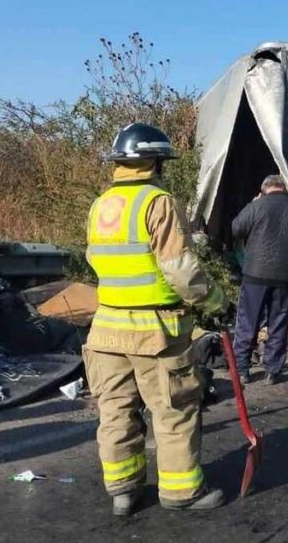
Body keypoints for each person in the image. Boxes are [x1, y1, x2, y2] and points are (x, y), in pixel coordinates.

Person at [84, 123, 227, 515]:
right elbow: (180, 269)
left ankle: (123, 492)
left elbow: (95, 260)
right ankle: (182, 493)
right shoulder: (157, 202)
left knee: (115, 412)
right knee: (174, 411)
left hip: (105, 331)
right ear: (155, 163)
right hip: (155, 332)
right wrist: (215, 302)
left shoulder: (101, 205)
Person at [231, 174, 288, 384]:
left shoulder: (256, 206)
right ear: (284, 189)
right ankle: (272, 371)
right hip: (285, 277)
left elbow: (235, 229)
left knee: (248, 322)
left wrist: (252, 206)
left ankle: (242, 370)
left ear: (264, 190)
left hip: (254, 275)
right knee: (278, 323)